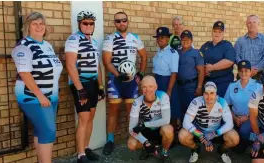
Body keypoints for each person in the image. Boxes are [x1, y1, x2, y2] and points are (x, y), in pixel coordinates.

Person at [12, 12, 63, 163]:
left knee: (41, 130)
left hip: (51, 96)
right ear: (28, 27)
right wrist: (40, 95)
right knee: (48, 131)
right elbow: (25, 73)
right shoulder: (23, 46)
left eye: (41, 23)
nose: (39, 26)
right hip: (32, 97)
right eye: (35, 24)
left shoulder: (47, 45)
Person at [102, 11, 147, 155]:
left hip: (132, 83)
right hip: (115, 81)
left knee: (131, 113)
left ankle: (133, 137)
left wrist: (140, 73)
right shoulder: (110, 39)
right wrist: (117, 75)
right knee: (113, 112)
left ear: (128, 21)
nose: (121, 23)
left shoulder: (135, 38)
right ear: (114, 23)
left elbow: (144, 56)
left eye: (124, 20)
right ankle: (110, 141)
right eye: (118, 21)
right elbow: (106, 61)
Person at [65, 10, 103, 162]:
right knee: (84, 118)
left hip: (93, 83)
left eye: (91, 23)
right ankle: (80, 154)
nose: (88, 25)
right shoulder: (73, 39)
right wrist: (80, 89)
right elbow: (69, 65)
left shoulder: (93, 42)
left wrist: (100, 86)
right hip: (81, 83)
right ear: (79, 24)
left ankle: (86, 148)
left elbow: (97, 65)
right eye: (85, 23)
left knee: (91, 117)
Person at [179, 82, 239, 163]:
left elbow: (230, 124)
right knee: (182, 135)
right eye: (206, 93)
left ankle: (222, 150)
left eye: (212, 93)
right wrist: (202, 136)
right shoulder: (196, 101)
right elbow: (186, 122)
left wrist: (214, 134)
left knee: (234, 138)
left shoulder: (222, 102)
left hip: (216, 131)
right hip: (199, 131)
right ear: (202, 94)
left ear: (216, 94)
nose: (209, 97)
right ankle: (195, 149)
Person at [128, 76, 174, 162]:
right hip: (145, 131)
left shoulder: (163, 96)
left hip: (158, 128)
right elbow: (131, 129)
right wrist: (145, 142)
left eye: (150, 86)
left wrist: (145, 124)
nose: (147, 90)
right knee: (131, 144)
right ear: (141, 88)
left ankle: (164, 152)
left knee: (168, 129)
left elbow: (166, 120)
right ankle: (147, 148)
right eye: (144, 87)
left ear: (156, 87)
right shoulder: (137, 102)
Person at [224, 60, 262, 153]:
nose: (243, 73)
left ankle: (255, 141)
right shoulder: (232, 86)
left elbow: (262, 107)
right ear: (238, 72)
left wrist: (248, 117)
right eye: (241, 71)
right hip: (235, 118)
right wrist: (235, 118)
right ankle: (245, 141)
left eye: (246, 71)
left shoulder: (258, 86)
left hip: (252, 117)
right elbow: (226, 106)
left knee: (244, 131)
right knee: (238, 150)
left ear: (250, 72)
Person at [152, 27, 181, 131]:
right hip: (158, 82)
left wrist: (169, 90)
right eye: (158, 38)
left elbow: (174, 72)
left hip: (168, 82)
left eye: (162, 37)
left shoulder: (173, 53)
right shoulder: (158, 52)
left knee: (171, 110)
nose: (160, 39)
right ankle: (162, 135)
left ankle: (172, 137)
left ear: (168, 39)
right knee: (160, 109)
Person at [200, 21, 236, 97]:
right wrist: (203, 70)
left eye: (220, 32)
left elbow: (229, 61)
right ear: (211, 32)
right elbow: (198, 60)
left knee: (220, 106)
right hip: (208, 82)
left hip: (223, 83)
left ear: (223, 33)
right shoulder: (205, 46)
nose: (217, 34)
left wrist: (212, 67)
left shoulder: (227, 46)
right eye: (215, 31)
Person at [177, 30, 204, 122]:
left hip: (190, 86)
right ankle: (182, 131)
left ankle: (192, 132)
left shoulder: (196, 53)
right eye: (183, 39)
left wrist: (199, 87)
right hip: (178, 86)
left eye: (188, 39)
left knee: (191, 110)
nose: (185, 41)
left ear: (192, 41)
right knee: (180, 110)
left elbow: (201, 71)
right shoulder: (177, 52)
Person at [234, 15, 264, 80]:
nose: (252, 24)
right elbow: (236, 55)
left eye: (254, 22)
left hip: (260, 75)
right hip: (243, 75)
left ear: (258, 24)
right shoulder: (240, 41)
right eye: (249, 23)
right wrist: (244, 67)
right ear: (246, 24)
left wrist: (256, 69)